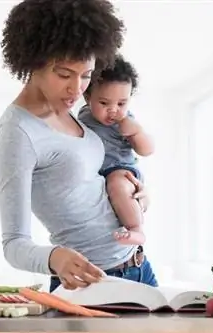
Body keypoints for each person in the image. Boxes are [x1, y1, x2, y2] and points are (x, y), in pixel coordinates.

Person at [0, 0, 158, 292]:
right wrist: (54, 257)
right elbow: (14, 244)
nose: (77, 89)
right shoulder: (17, 132)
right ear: (33, 61)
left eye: (86, 75)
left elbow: (89, 184)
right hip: (89, 282)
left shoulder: (72, 113)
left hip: (138, 266)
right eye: (64, 74)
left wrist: (137, 194)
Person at [78, 55, 154, 246]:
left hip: (121, 169)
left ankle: (136, 229)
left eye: (121, 103)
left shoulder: (127, 121)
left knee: (117, 184)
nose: (113, 110)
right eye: (104, 103)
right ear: (87, 97)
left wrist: (136, 132)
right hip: (97, 174)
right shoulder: (82, 118)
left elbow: (147, 150)